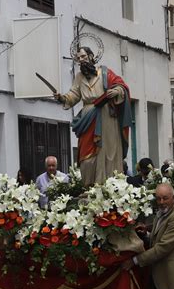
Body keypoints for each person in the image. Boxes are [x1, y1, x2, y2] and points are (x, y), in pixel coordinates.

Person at [54, 46, 132, 187]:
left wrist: (116, 91)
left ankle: (109, 183)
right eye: (78, 58)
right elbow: (73, 95)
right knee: (85, 153)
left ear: (91, 56)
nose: (81, 60)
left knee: (108, 149)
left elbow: (121, 86)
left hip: (106, 114)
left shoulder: (105, 73)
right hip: (88, 116)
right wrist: (62, 98)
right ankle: (89, 184)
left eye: (83, 56)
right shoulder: (79, 77)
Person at [121, 183, 174, 289]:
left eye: (165, 198)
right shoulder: (162, 213)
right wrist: (146, 232)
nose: (161, 202)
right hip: (164, 279)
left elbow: (162, 247)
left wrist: (134, 261)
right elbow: (159, 236)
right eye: (158, 199)